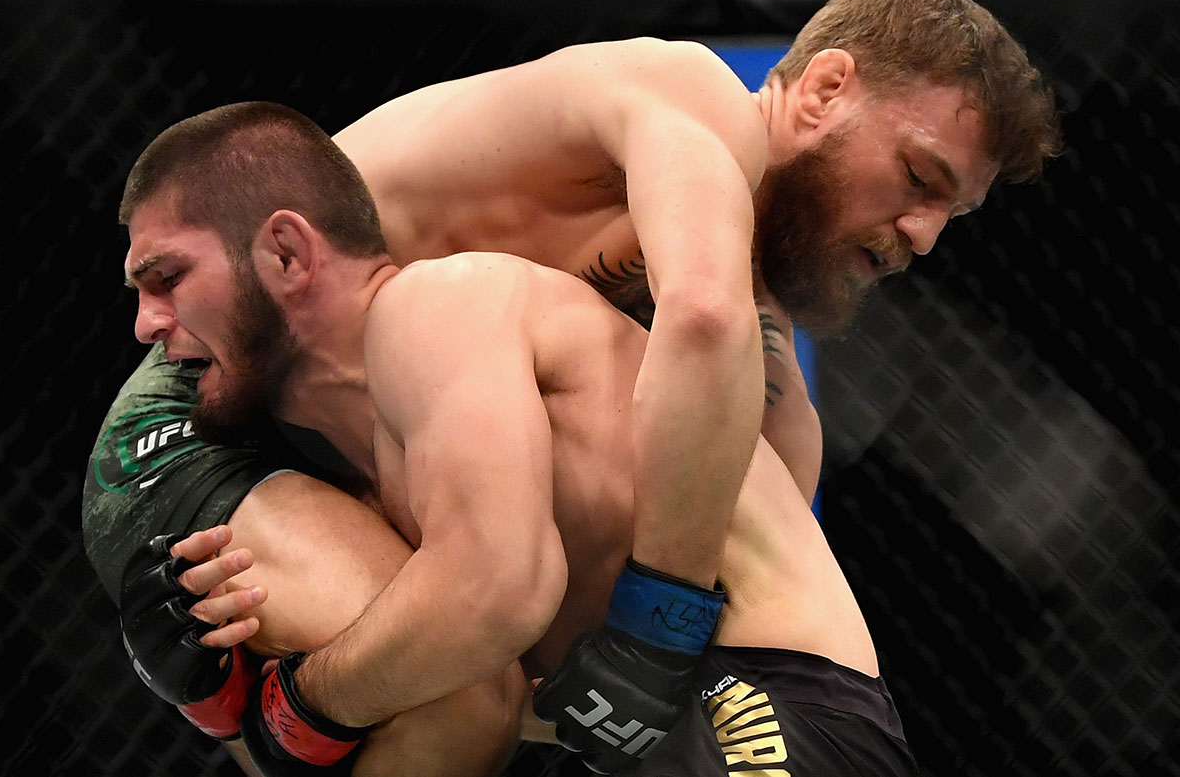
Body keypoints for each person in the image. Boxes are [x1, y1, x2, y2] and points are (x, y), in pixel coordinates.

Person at [86, 0, 1060, 774]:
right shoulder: (692, 104)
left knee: (475, 684)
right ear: (825, 87)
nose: (923, 236)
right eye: (921, 178)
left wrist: (647, 657)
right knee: (453, 679)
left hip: (361, 469)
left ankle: (247, 713)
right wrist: (659, 621)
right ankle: (254, 717)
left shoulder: (761, 386)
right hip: (210, 406)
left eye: (952, 216)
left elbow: (596, 674)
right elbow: (704, 316)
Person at [115, 100, 916, 775]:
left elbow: (500, 587)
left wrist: (292, 708)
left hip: (768, 703)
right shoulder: (396, 455)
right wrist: (218, 703)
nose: (149, 323)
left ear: (286, 252)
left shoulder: (437, 306)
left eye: (168, 276)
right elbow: (495, 694)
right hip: (691, 732)